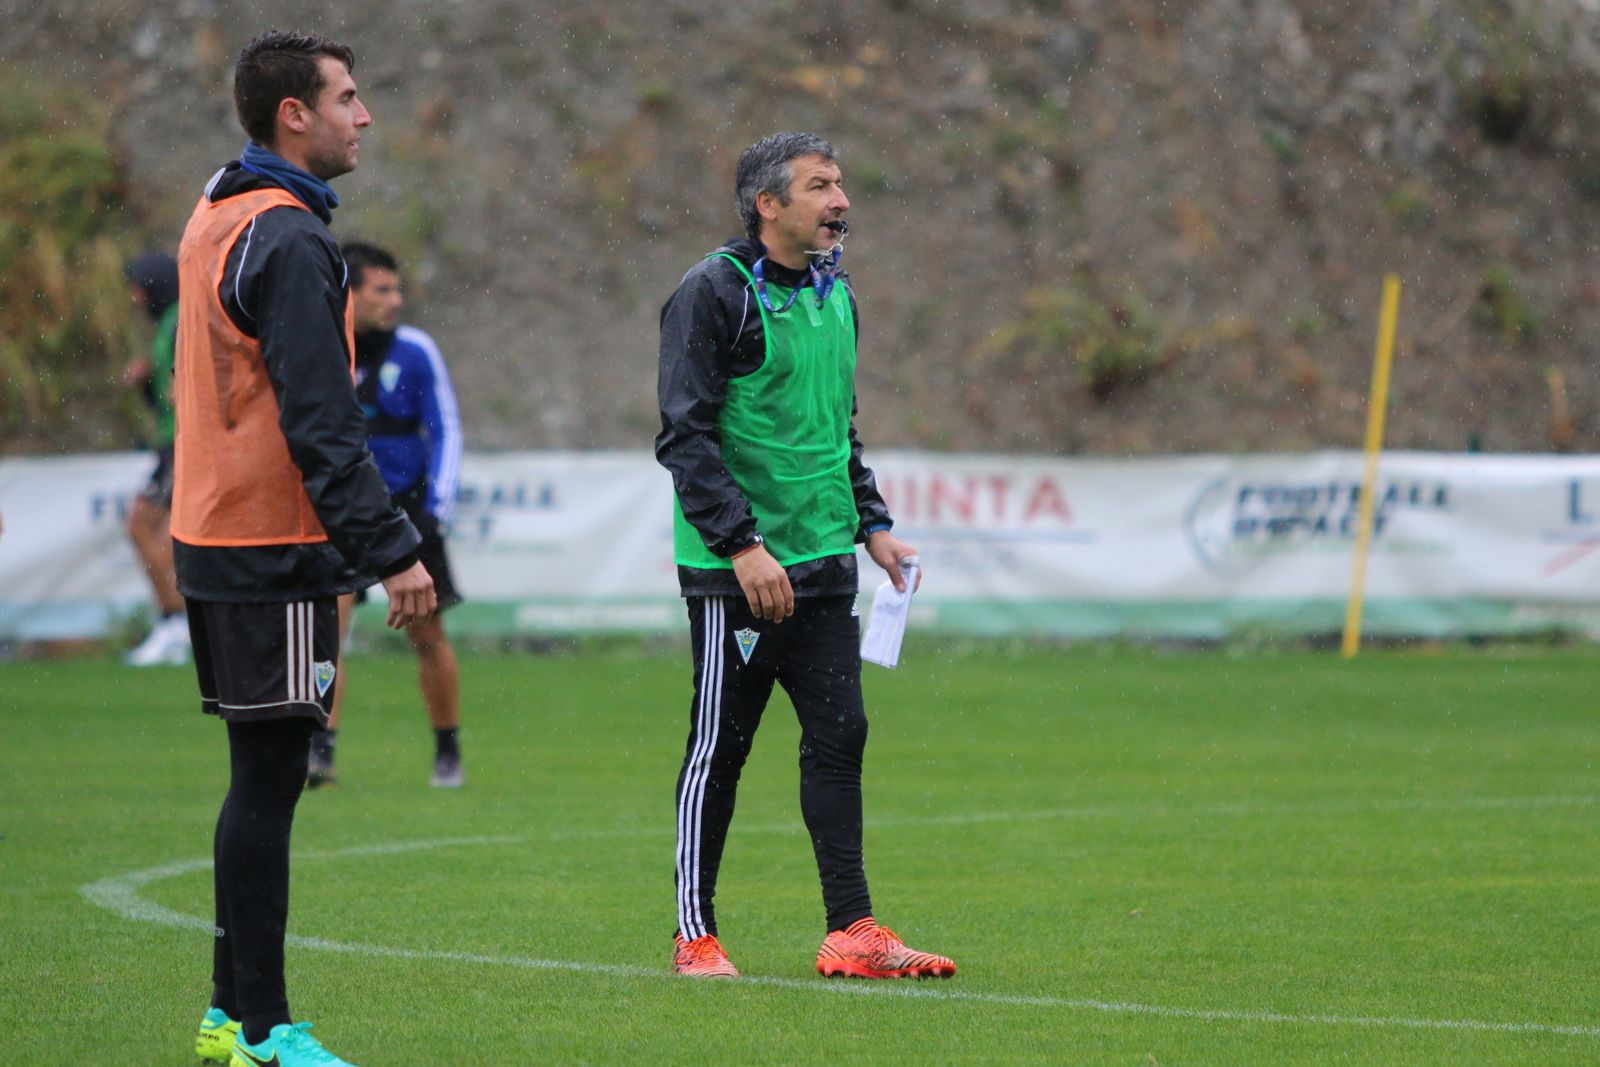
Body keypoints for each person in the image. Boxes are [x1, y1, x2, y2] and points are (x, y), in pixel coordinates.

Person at [172, 31, 434, 1067]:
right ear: (295, 114)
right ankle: (263, 1027)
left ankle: (227, 1013)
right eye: (348, 97)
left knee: (262, 770)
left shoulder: (218, 205)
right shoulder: (287, 239)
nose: (364, 116)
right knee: (273, 777)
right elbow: (323, 421)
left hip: (216, 529)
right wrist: (392, 550)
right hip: (271, 539)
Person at [655, 132, 956, 981]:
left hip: (825, 564)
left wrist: (875, 525)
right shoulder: (714, 291)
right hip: (739, 576)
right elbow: (685, 437)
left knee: (841, 734)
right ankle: (694, 935)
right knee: (721, 745)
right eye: (822, 186)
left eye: (842, 185)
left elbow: (834, 428)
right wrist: (743, 547)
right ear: (768, 205)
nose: (842, 201)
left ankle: (851, 930)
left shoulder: (837, 294)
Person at [305, 242, 465, 790]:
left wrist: (435, 508)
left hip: (407, 515)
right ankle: (320, 750)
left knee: (427, 635)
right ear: (347, 293)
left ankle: (447, 750)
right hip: (341, 514)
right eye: (383, 290)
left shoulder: (415, 349)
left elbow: (445, 428)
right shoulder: (320, 346)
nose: (396, 300)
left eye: (398, 289)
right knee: (329, 634)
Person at [122, 252, 191, 666]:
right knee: (161, 530)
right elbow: (164, 396)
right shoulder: (168, 324)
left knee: (146, 524)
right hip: (174, 441)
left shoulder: (181, 318)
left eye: (137, 287)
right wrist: (148, 381)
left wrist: (174, 389)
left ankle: (177, 624)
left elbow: (188, 384)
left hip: (183, 443)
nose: (133, 297)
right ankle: (179, 625)